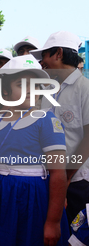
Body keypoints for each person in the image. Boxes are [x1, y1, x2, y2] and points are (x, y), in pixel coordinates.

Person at [0, 55, 69, 246]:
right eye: (21, 84)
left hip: (31, 198)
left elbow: (58, 173)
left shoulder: (46, 120)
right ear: (5, 89)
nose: (30, 90)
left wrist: (53, 221)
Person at [30, 31, 89, 226]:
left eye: (44, 56)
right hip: (49, 178)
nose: (41, 63)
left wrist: (68, 177)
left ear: (58, 53)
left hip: (76, 182)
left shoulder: (85, 89)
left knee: (74, 235)